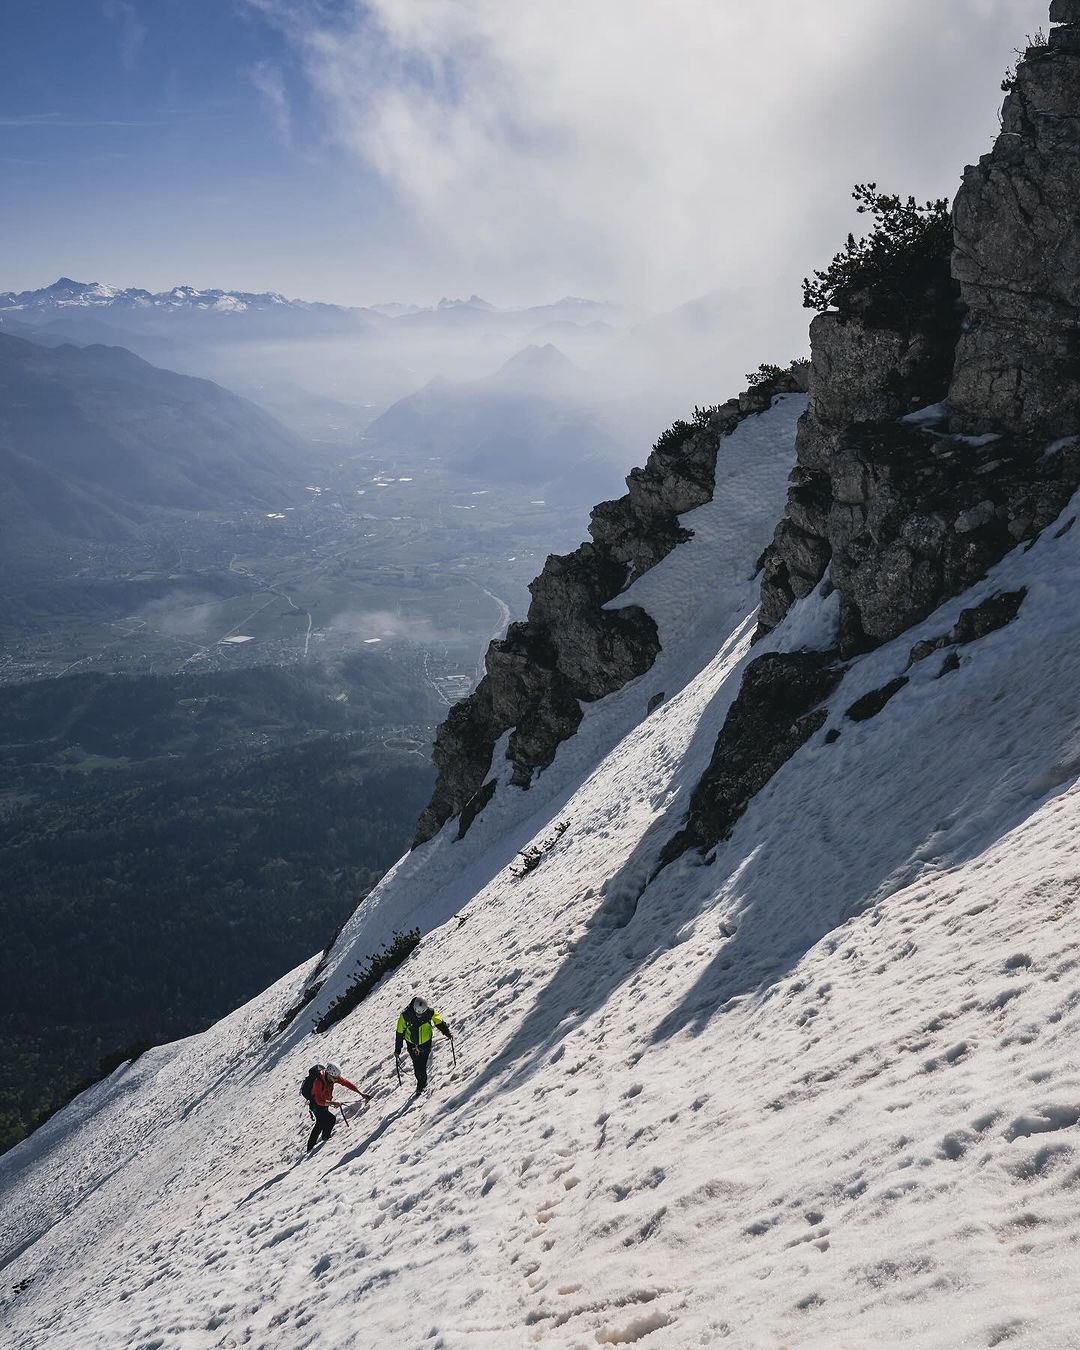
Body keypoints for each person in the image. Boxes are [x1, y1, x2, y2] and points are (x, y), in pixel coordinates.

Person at [395, 996, 453, 1095]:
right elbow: (399, 1032)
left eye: (421, 1014)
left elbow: (439, 1022)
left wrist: (447, 1033)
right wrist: (397, 1049)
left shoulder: (430, 1012)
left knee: (422, 1063)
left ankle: (422, 1082)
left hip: (426, 1042)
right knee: (417, 1065)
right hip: (412, 1044)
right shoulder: (405, 1015)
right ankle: (421, 1082)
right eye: (417, 1013)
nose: (419, 1016)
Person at [307, 1062, 364, 1152]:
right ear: (329, 1074)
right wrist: (332, 1103)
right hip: (316, 1104)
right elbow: (318, 1101)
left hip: (325, 1101)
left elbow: (346, 1083)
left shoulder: (332, 1076)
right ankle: (325, 1138)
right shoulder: (318, 1082)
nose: (336, 1080)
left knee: (320, 1123)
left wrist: (360, 1093)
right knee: (330, 1119)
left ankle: (311, 1147)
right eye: (334, 1078)